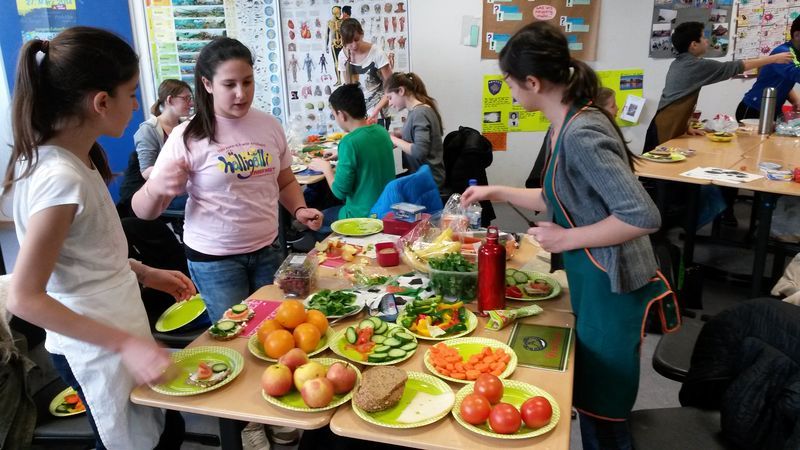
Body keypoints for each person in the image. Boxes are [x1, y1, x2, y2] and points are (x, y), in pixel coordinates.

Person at [461, 22, 679, 449]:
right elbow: (560, 194)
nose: (509, 92)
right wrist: (496, 190)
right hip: (591, 280)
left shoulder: (582, 131)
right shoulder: (562, 122)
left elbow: (642, 215)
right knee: (589, 393)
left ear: (533, 82)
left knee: (604, 405)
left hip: (613, 285)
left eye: (509, 83)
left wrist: (565, 240)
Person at [4, 27, 196, 450]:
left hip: (115, 327)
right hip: (97, 346)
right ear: (100, 101)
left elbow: (81, 259)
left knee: (165, 429)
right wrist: (125, 343)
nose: (134, 104)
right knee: (133, 441)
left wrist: (144, 272)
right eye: (130, 93)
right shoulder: (58, 178)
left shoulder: (76, 159)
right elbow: (25, 297)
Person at [131, 36, 322, 323]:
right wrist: (156, 188)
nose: (241, 94)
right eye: (229, 85)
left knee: (274, 328)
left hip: (267, 249)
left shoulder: (268, 125)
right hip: (215, 260)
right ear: (207, 84)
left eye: (247, 82)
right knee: (236, 334)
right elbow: (142, 211)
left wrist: (299, 209)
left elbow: (284, 180)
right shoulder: (187, 136)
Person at [645, 20, 791, 150]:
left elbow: (677, 95)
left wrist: (686, 126)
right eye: (703, 37)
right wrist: (773, 59)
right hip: (665, 127)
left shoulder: (679, 63)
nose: (707, 41)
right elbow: (736, 66)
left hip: (665, 123)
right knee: (658, 174)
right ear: (694, 45)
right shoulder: (694, 65)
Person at [308, 84, 395, 232]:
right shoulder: (381, 131)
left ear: (341, 114)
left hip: (361, 216)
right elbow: (367, 154)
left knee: (315, 218)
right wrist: (341, 155)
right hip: (386, 210)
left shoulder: (349, 142)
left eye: (334, 115)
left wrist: (326, 168)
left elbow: (339, 191)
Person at [118, 79, 193, 217]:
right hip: (162, 191)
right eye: (186, 98)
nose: (191, 103)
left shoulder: (187, 126)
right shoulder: (148, 130)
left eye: (191, 98)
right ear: (170, 100)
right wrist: (181, 172)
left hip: (184, 186)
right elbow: (146, 172)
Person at [384, 72, 446, 191]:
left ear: (401, 91)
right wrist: (398, 134)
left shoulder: (420, 113)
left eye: (390, 97)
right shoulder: (417, 110)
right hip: (421, 174)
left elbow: (419, 151)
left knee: (388, 189)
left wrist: (393, 139)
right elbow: (413, 131)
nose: (390, 103)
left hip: (429, 179)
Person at [736, 16, 800, 121]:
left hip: (772, 110)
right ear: (797, 35)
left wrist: (796, 101)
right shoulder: (784, 53)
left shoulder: (797, 54)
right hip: (754, 109)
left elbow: (782, 81)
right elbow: (796, 74)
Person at [338, 18, 393, 128]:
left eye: (356, 39)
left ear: (362, 34)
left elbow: (391, 87)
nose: (354, 45)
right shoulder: (342, 55)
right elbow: (348, 88)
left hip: (378, 113)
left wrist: (376, 109)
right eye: (349, 42)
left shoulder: (377, 53)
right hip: (357, 115)